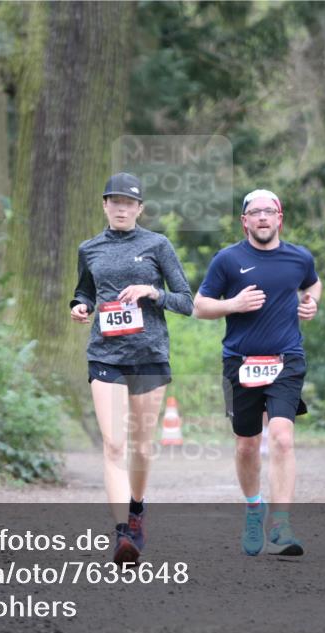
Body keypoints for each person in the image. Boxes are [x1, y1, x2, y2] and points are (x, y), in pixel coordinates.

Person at [70, 172, 193, 565]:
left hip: (149, 354)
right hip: (105, 355)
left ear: (140, 209)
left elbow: (186, 301)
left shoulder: (157, 245)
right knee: (113, 444)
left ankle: (137, 509)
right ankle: (122, 532)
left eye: (129, 202)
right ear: (105, 205)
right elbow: (85, 289)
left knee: (141, 445)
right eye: (115, 201)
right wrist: (81, 306)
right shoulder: (89, 248)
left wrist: (151, 291)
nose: (122, 208)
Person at [193, 189, 321, 557]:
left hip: (286, 360)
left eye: (270, 211)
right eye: (255, 212)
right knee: (247, 444)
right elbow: (200, 306)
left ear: (280, 218)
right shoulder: (227, 260)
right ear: (244, 221)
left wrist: (312, 303)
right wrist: (233, 304)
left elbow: (312, 284)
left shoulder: (299, 258)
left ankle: (281, 523)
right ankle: (254, 507)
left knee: (281, 437)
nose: (263, 217)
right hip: (240, 363)